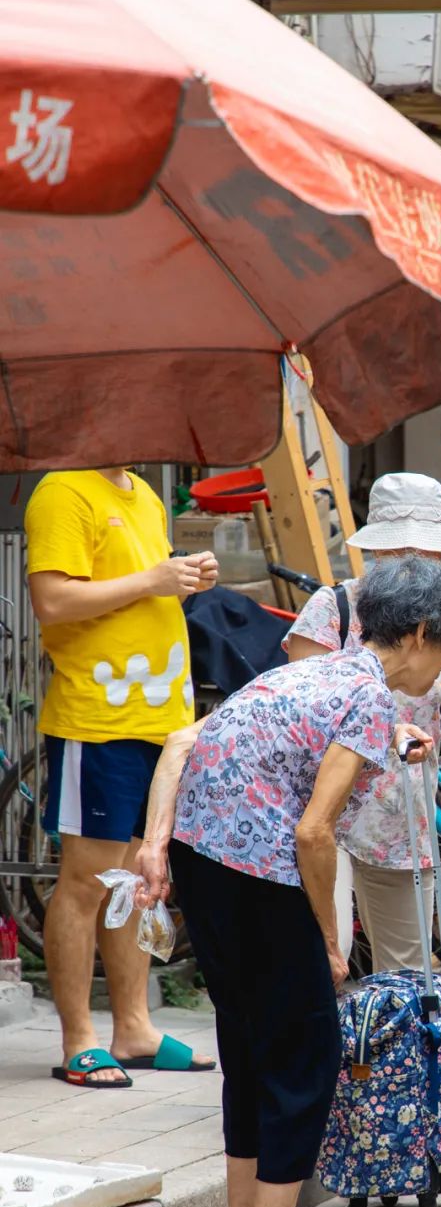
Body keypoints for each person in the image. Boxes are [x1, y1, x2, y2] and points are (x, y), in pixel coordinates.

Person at [132, 557, 441, 1207]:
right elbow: (316, 835)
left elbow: (185, 745)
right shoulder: (369, 697)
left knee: (252, 1050)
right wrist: (328, 937)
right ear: (417, 635)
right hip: (259, 869)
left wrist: (157, 845)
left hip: (203, 858)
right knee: (306, 1051)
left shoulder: (310, 674)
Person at [25, 464, 218, 1089]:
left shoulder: (142, 494)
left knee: (139, 873)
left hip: (159, 716)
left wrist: (179, 582)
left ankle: (133, 1029)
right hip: (97, 718)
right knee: (86, 877)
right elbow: (51, 600)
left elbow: (136, 591)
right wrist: (153, 579)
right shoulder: (63, 490)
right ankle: (79, 1039)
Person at [284, 472, 441, 970]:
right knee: (321, 964)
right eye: (398, 551)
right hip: (319, 817)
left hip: (401, 820)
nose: (414, 563)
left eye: (426, 552)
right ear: (374, 552)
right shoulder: (331, 610)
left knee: (408, 975)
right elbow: (301, 719)